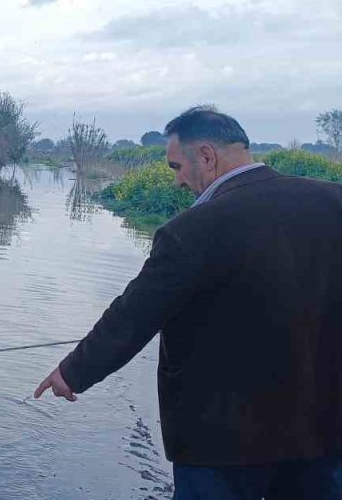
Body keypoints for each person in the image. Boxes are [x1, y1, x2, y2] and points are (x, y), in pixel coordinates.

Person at [34, 107, 342, 499]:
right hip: (324, 430)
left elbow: (134, 315)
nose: (178, 181)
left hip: (223, 443)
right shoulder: (334, 202)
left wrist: (73, 372)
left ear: (208, 157)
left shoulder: (195, 229)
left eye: (177, 167)